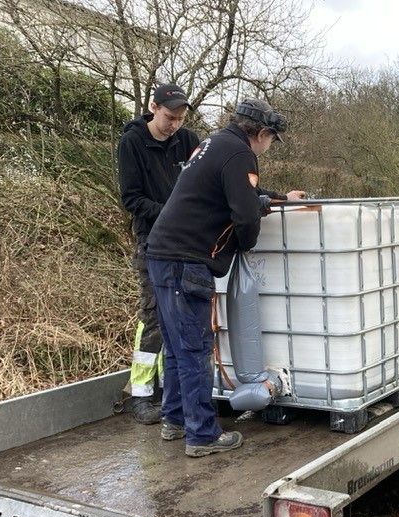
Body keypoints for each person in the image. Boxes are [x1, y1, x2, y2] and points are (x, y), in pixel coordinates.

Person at [145, 99, 306, 457]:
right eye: (271, 139)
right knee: (195, 350)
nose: (268, 146)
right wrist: (245, 247)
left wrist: (280, 198)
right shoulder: (240, 153)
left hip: (163, 255)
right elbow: (245, 214)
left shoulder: (214, 143)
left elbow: (239, 195)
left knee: (177, 348)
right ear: (262, 133)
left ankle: (175, 420)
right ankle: (201, 435)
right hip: (186, 261)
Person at [117, 83, 200, 424]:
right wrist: (171, 213)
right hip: (152, 242)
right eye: (169, 117)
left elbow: (212, 181)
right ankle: (140, 394)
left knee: (182, 317)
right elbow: (132, 199)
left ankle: (171, 392)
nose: (174, 125)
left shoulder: (189, 142)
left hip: (188, 244)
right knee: (153, 316)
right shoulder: (133, 142)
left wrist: (272, 196)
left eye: (180, 119)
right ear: (153, 108)